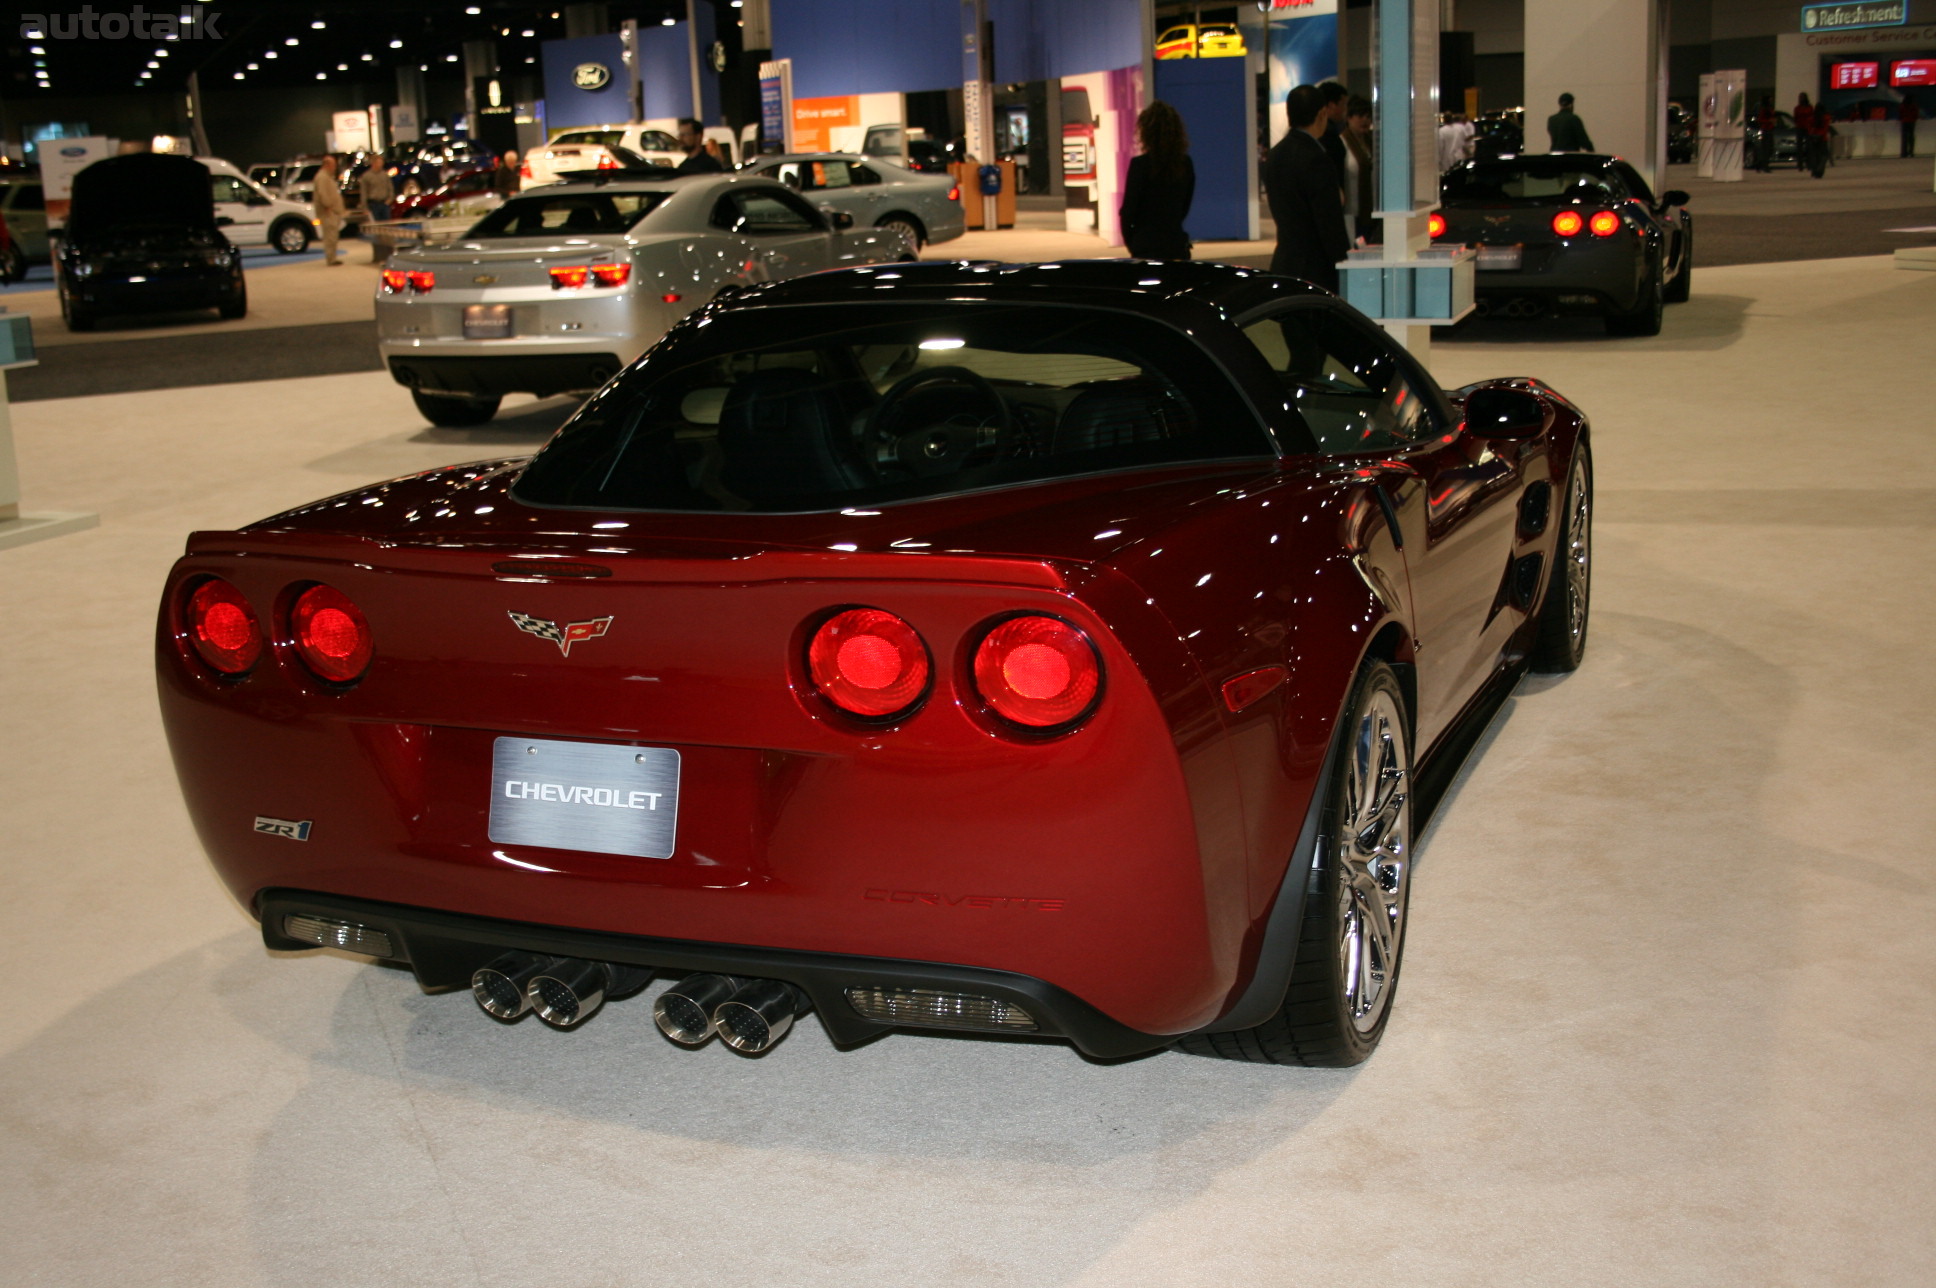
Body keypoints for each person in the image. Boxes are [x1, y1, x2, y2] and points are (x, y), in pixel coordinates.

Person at [1265, 84, 1350, 293]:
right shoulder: (1317, 159)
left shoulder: (1275, 155)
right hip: (1316, 272)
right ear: (1322, 113)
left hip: (1285, 264)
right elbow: (1330, 224)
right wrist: (1345, 264)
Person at [1119, 100, 1194, 260]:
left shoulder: (1139, 165)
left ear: (1146, 132)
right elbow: (1184, 207)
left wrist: (1133, 243)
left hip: (1145, 245)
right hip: (1175, 244)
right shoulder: (1185, 163)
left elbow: (1128, 211)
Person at [1341, 95, 1376, 243]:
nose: (1365, 120)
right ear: (1349, 118)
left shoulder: (1372, 143)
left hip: (1372, 211)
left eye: (1368, 116)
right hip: (1352, 212)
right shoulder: (1342, 143)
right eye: (1360, 116)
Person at [312, 154, 346, 265]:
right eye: (333, 165)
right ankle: (331, 259)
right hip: (327, 212)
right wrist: (328, 205)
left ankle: (333, 257)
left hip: (332, 211)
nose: (335, 168)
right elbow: (323, 194)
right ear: (327, 165)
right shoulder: (322, 177)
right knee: (330, 237)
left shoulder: (327, 177)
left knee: (333, 235)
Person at [1318, 81, 1349, 182]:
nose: (1345, 110)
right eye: (1343, 104)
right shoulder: (1328, 136)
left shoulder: (1329, 132)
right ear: (1331, 105)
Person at [1752, 96, 1776, 172]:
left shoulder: (1770, 108)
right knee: (1766, 149)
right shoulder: (1763, 109)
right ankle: (1765, 166)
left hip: (1770, 129)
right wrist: (1769, 121)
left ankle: (1759, 164)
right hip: (1766, 129)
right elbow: (1760, 119)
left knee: (1769, 149)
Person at [1792, 94, 1814, 170]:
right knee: (1799, 148)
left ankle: (1809, 164)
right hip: (1800, 128)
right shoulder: (1797, 108)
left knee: (1809, 147)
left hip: (1807, 128)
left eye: (1802, 97)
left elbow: (1812, 117)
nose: (1801, 99)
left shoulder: (1809, 107)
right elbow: (1795, 118)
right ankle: (1800, 165)